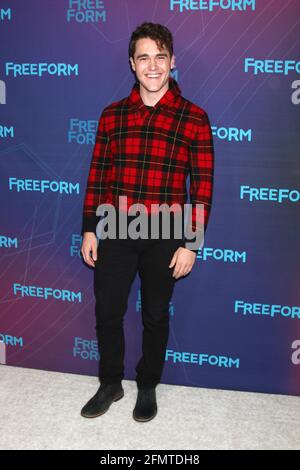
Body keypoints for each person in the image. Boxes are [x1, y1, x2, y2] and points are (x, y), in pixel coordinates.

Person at [80, 22, 214, 422]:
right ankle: (109, 383)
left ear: (172, 62)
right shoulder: (112, 116)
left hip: (166, 233)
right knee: (107, 310)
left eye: (160, 57)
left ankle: (148, 386)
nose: (152, 66)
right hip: (116, 228)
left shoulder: (194, 118)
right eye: (143, 57)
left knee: (156, 314)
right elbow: (97, 174)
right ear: (131, 64)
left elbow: (203, 187)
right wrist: (90, 228)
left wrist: (190, 243)